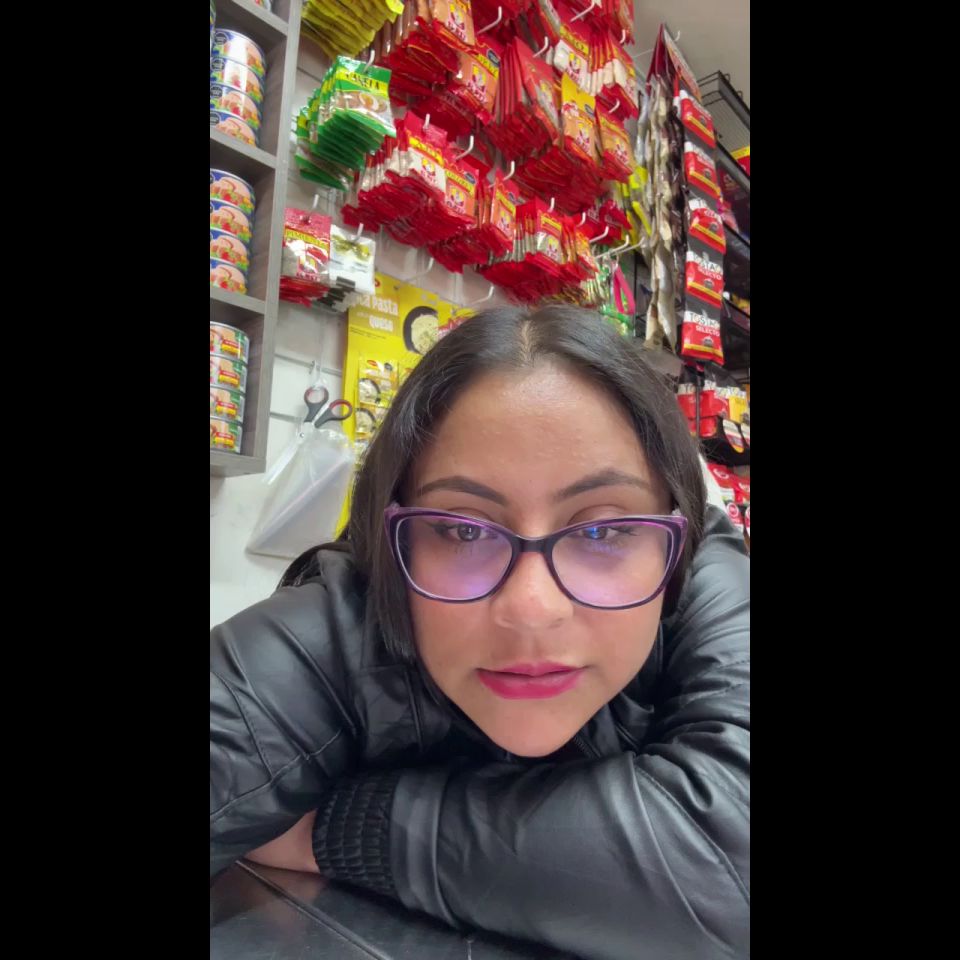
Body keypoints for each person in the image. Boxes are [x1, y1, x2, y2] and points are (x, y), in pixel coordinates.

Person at [210, 306, 749, 960]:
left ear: (677, 532)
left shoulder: (705, 570)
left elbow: (733, 861)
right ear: (389, 534)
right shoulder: (339, 625)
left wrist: (341, 830)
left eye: (605, 529)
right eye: (464, 530)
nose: (531, 607)